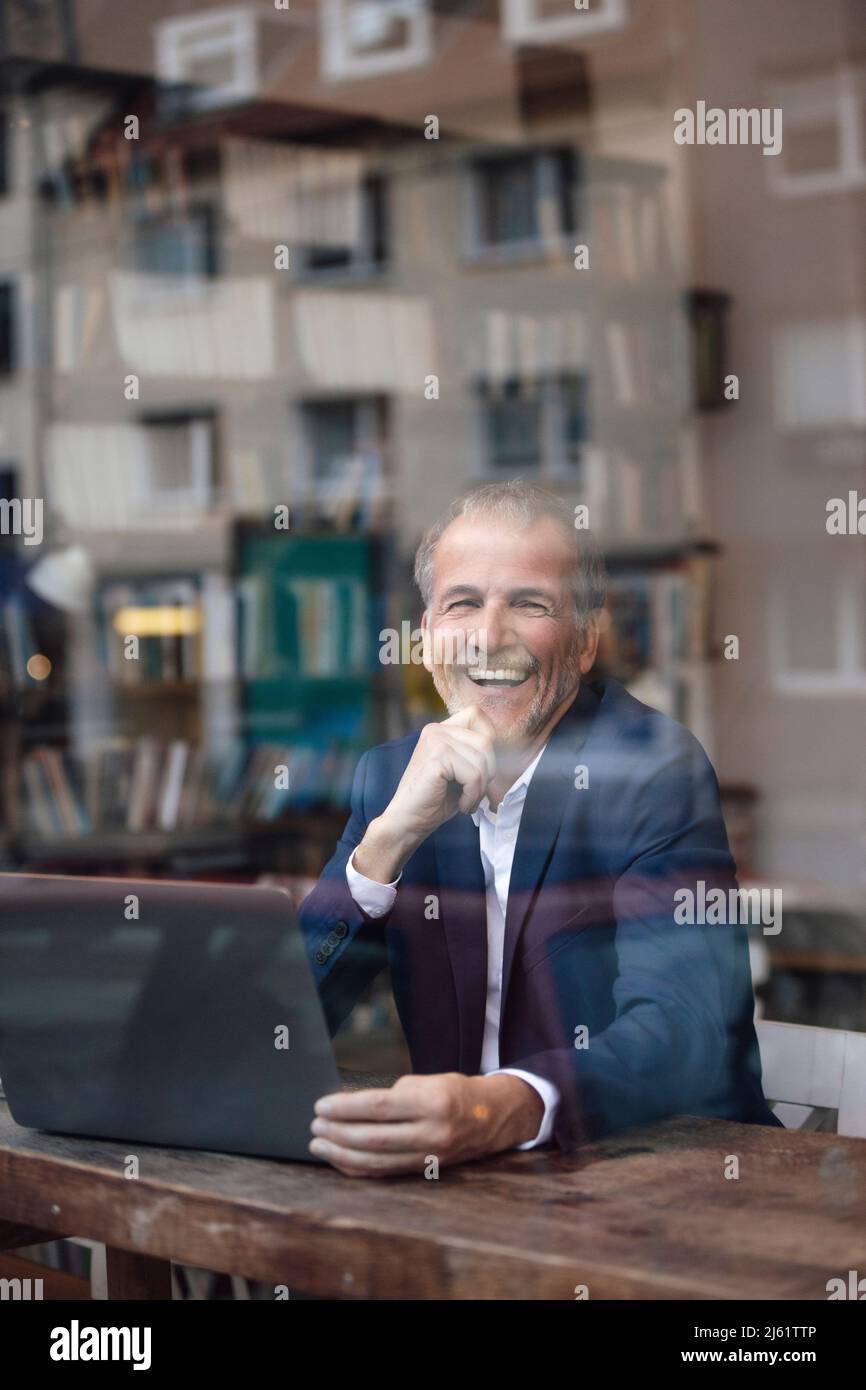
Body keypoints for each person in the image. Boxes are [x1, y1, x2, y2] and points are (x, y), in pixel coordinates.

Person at [299, 481, 779, 1176]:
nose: (491, 639)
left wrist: (499, 1108)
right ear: (428, 634)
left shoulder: (650, 770)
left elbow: (686, 1031)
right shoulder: (390, 779)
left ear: (585, 640)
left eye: (529, 604)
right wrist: (384, 846)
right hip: (472, 1194)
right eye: (463, 603)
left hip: (664, 1185)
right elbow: (279, 1031)